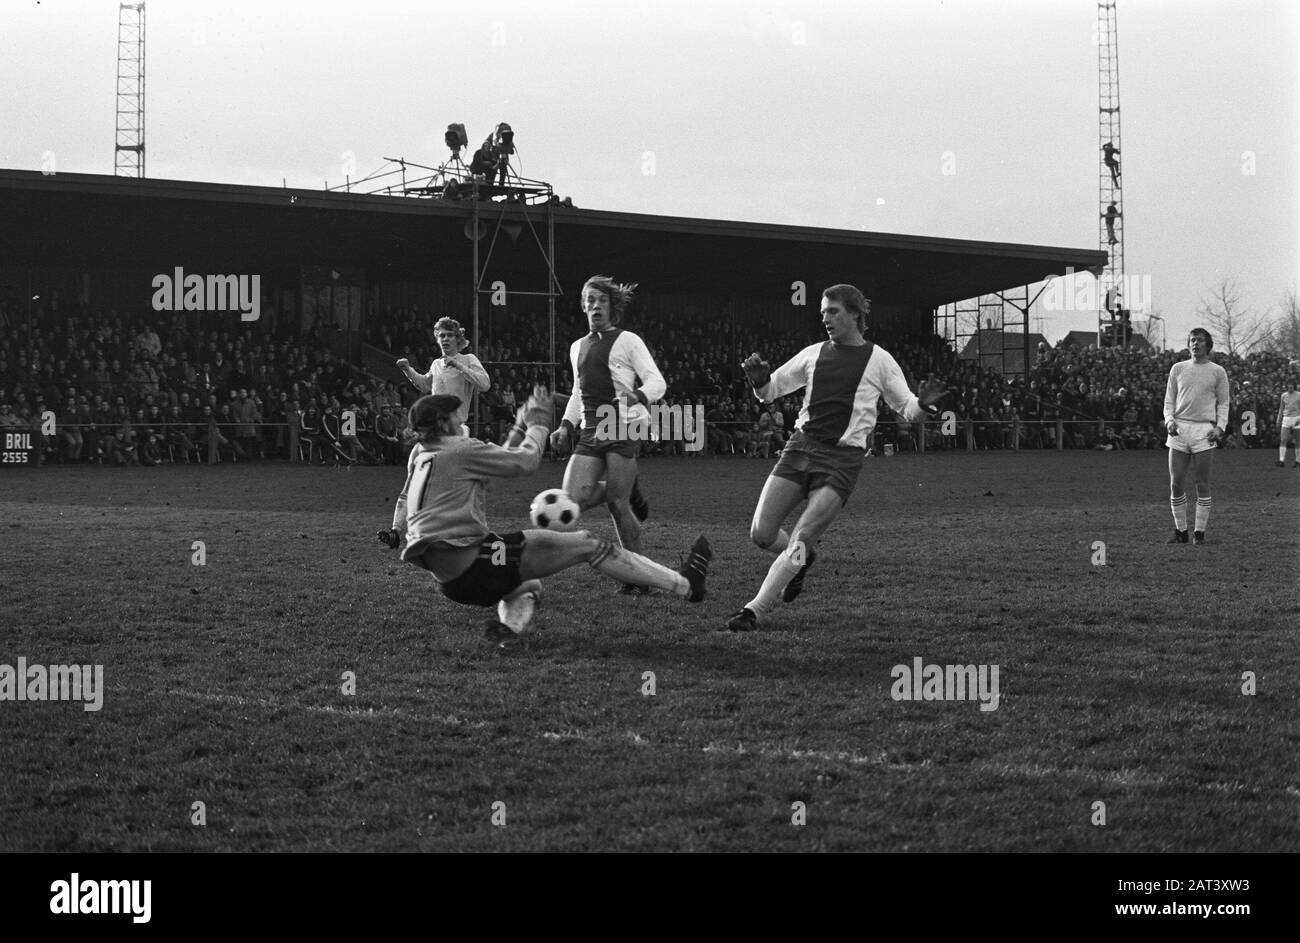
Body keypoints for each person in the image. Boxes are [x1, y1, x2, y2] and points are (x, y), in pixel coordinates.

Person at [377, 390, 711, 648]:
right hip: (476, 563)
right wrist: (537, 423)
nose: (462, 419)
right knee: (587, 544)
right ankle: (685, 585)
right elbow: (525, 462)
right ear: (445, 423)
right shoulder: (461, 449)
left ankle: (508, 631)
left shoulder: (421, 454)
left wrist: (520, 426)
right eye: (456, 415)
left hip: (451, 583)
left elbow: (489, 468)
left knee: (528, 585)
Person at [724, 284, 946, 632]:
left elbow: (907, 408)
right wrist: (758, 381)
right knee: (761, 534)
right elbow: (770, 391)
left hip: (842, 460)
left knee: (800, 536)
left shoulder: (880, 360)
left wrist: (924, 403)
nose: (825, 318)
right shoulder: (812, 354)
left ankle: (754, 609)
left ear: (855, 314)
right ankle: (803, 559)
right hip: (800, 447)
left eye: (833, 311)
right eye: (823, 313)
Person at [549, 276, 663, 595]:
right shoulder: (577, 347)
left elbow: (658, 383)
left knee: (617, 505)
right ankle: (626, 484)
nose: (595, 305)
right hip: (590, 429)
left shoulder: (628, 341)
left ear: (612, 306)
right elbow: (576, 392)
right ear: (583, 306)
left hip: (623, 424)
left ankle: (639, 576)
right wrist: (565, 426)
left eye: (601, 300)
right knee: (571, 501)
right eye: (590, 300)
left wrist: (636, 396)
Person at [1164, 328, 1230, 545]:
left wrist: (1220, 428)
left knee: (1202, 483)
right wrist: (1169, 421)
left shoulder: (1217, 371)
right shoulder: (1178, 368)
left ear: (1208, 345)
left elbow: (1224, 403)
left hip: (1204, 430)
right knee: (1176, 482)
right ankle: (1180, 531)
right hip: (1180, 430)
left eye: (1200, 340)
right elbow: (1169, 401)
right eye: (1192, 340)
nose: (1195, 344)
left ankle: (1199, 532)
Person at [395, 317, 490, 436]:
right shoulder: (436, 363)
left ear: (458, 339)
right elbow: (424, 385)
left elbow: (485, 384)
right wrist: (408, 370)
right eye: (442, 335)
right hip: (436, 428)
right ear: (437, 339)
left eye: (450, 335)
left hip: (457, 428)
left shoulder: (468, 359)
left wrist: (458, 365)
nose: (445, 339)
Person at [1276, 374, 1300, 467]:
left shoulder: (1299, 395)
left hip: (1297, 418)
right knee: (1283, 439)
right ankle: (1281, 460)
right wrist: (1279, 419)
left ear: (1294, 386)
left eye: (1292, 385)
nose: (1290, 387)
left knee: (1298, 441)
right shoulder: (1283, 396)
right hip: (1286, 419)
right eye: (1288, 385)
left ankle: (1298, 461)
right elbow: (1281, 408)